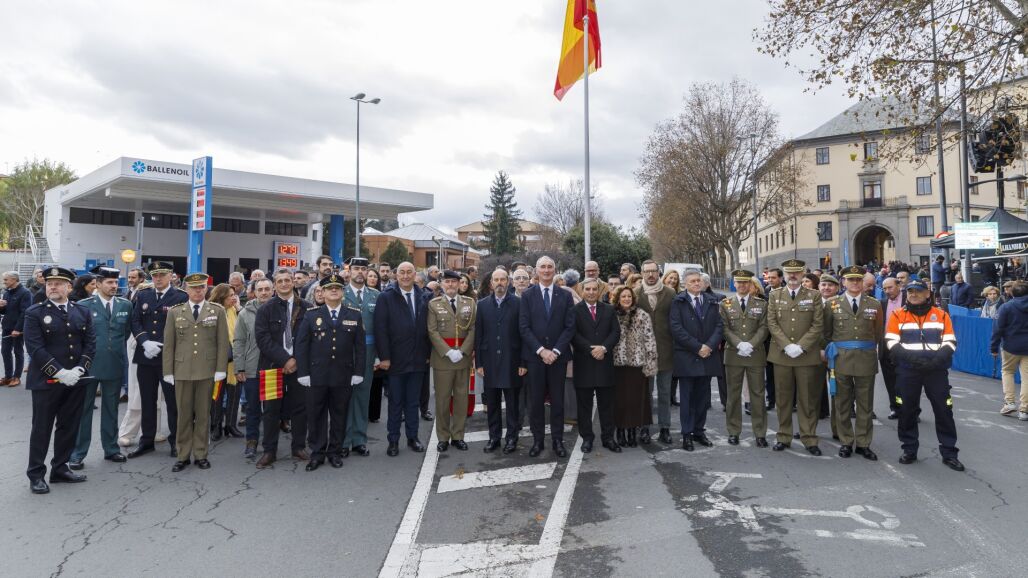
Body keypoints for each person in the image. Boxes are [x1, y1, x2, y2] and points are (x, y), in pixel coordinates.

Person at [23, 267, 95, 494]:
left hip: (76, 381)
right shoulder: (35, 312)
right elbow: (35, 348)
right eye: (49, 283)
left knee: (69, 427)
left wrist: (79, 369)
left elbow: (90, 344)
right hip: (47, 382)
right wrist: (60, 372)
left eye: (58, 283)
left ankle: (60, 469)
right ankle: (36, 474)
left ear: (69, 287)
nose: (52, 287)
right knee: (41, 429)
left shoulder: (81, 311)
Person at [885, 279, 964, 471]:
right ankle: (909, 449)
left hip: (936, 371)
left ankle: (949, 453)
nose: (913, 294)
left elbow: (950, 342)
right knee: (906, 411)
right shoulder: (897, 315)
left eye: (918, 291)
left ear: (927, 294)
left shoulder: (941, 315)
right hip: (907, 370)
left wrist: (935, 362)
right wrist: (914, 360)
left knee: (944, 411)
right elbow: (891, 343)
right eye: (910, 291)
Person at [295, 273, 365, 471]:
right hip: (317, 375)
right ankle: (317, 453)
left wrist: (358, 371)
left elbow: (360, 347)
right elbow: (302, 345)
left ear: (343, 292)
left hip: (343, 374)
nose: (334, 290)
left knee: (339, 415)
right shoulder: (311, 315)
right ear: (322, 293)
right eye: (329, 288)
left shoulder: (354, 315)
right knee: (315, 415)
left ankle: (334, 451)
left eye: (337, 288)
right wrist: (303, 372)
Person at [163, 273, 229, 472]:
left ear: (206, 289)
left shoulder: (217, 311)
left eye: (201, 287)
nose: (198, 291)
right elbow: (169, 344)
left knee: (203, 415)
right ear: (186, 290)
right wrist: (168, 371)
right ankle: (182, 455)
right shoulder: (175, 312)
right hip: (182, 370)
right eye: (194, 288)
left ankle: (201, 454)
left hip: (206, 370)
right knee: (183, 415)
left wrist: (221, 369)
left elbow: (222, 342)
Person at [68, 266, 132, 470]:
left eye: (116, 282)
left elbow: (126, 332)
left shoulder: (125, 305)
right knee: (83, 410)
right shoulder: (83, 305)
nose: (114, 286)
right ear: (98, 284)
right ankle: (78, 453)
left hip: (114, 364)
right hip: (88, 365)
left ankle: (111, 448)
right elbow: (76, 336)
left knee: (111, 409)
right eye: (109, 282)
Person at [128, 261, 188, 459]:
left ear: (171, 275)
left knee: (173, 402)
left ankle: (176, 441)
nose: (158, 278)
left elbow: (183, 325)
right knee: (147, 401)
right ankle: (147, 441)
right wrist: (145, 342)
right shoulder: (143, 294)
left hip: (169, 358)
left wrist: (161, 344)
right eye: (155, 275)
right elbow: (135, 320)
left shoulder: (180, 297)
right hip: (146, 356)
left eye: (162, 274)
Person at [823, 266, 883, 461]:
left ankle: (863, 443)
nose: (855, 283)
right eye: (851, 280)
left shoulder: (874, 304)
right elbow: (826, 332)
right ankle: (846, 441)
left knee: (865, 404)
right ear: (844, 282)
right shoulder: (832, 304)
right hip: (841, 359)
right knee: (842, 403)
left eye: (858, 279)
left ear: (863, 282)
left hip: (866, 358)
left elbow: (878, 333)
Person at [519, 256, 576, 458]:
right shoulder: (527, 295)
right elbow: (524, 327)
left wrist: (556, 351)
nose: (546, 270)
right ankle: (538, 441)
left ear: (555, 269)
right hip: (535, 358)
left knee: (558, 402)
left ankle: (558, 441)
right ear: (536, 270)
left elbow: (570, 327)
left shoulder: (565, 295)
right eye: (542, 267)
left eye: (549, 267)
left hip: (558, 358)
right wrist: (541, 351)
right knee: (535, 402)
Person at [767, 259, 825, 455]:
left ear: (802, 274)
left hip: (805, 355)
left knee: (807, 399)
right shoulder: (774, 295)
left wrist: (801, 346)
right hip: (782, 354)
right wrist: (786, 345)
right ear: (784, 275)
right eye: (789, 273)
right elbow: (772, 323)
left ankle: (809, 438)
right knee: (783, 398)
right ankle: (784, 436)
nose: (793, 276)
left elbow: (818, 324)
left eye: (797, 273)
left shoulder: (814, 295)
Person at [254, 268, 309, 468]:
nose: (284, 284)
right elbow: (263, 339)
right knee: (270, 410)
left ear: (293, 282)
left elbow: (309, 338)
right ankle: (269, 451)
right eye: (280, 281)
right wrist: (285, 360)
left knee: (300, 408)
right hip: (271, 366)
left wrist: (295, 360)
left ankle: (298, 447)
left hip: (299, 367)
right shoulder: (265, 309)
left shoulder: (307, 308)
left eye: (287, 280)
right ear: (275, 285)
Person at [374, 261, 430, 456]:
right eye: (402, 272)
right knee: (396, 402)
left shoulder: (424, 296)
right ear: (395, 275)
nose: (405, 276)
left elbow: (429, 329)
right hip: (395, 359)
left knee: (413, 402)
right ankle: (393, 440)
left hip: (418, 359)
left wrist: (427, 354)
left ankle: (413, 438)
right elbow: (380, 329)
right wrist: (384, 357)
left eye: (409, 272)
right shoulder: (386, 297)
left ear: (415, 275)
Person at [670, 270, 724, 451]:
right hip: (687, 356)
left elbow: (719, 325)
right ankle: (687, 434)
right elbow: (676, 328)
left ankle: (699, 431)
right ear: (685, 284)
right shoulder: (678, 301)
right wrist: (697, 347)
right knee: (687, 399)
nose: (696, 283)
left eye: (698, 280)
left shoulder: (712, 301)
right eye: (692, 281)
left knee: (702, 398)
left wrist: (708, 346)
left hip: (707, 356)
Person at [475, 268, 525, 453]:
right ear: (491, 283)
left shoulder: (519, 303)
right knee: (492, 404)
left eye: (503, 279)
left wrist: (523, 362)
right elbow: (479, 335)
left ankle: (511, 438)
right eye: (496, 280)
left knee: (512, 404)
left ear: (508, 282)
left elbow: (523, 334)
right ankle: (494, 438)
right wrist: (479, 363)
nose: (499, 283)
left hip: (512, 361)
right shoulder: (482, 305)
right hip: (489, 362)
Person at [427, 270, 477, 452]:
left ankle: (458, 436)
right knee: (442, 399)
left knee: (461, 399)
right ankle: (443, 437)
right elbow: (432, 331)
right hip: (443, 359)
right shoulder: (434, 304)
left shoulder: (469, 303)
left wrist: (463, 351)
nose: (450, 285)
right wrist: (448, 352)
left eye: (454, 282)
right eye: (447, 282)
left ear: (458, 284)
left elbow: (473, 329)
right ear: (441, 284)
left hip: (463, 358)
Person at [719, 270, 769, 448]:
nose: (742, 285)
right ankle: (733, 431)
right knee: (733, 395)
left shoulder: (761, 304)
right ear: (734, 284)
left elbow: (764, 327)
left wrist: (751, 344)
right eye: (738, 282)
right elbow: (724, 328)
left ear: (750, 284)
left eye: (745, 282)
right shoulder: (725, 304)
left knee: (758, 395)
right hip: (734, 354)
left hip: (755, 354)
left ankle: (760, 433)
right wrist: (739, 344)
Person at [572, 279, 622, 453]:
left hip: (604, 364)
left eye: (594, 289)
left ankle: (608, 438)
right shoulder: (574, 311)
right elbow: (573, 334)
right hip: (584, 364)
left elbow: (616, 332)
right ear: (582, 290)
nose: (591, 292)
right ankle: (587, 438)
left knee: (607, 405)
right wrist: (590, 349)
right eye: (588, 289)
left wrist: (604, 348)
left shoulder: (608, 309)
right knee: (584, 406)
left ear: (599, 290)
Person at [635, 260, 677, 444]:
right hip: (643, 352)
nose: (651, 275)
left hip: (666, 351)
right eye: (647, 271)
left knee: (665, 393)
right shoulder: (635, 293)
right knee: (645, 394)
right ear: (642, 273)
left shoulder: (670, 293)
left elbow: (675, 320)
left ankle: (665, 428)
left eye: (653, 271)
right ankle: (644, 428)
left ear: (659, 272)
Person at [612, 286, 658, 448]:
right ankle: (620, 431)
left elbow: (650, 339)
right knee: (619, 400)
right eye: (623, 296)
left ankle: (632, 431)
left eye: (629, 297)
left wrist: (650, 362)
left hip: (637, 364)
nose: (626, 299)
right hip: (617, 364)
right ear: (618, 299)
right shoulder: (611, 314)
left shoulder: (642, 315)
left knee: (635, 400)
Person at [342, 257, 379, 457]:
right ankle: (344, 440)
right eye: (356, 268)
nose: (359, 272)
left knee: (363, 396)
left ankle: (359, 440)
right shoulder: (341, 293)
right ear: (349, 271)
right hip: (345, 352)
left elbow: (381, 328)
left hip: (368, 352)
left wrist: (379, 356)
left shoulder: (376, 295)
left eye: (363, 269)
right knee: (345, 397)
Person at [234, 277, 273, 459]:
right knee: (252, 409)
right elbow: (239, 341)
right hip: (251, 367)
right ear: (254, 292)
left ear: (272, 291)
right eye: (260, 289)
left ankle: (270, 444)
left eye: (267, 289)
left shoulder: (280, 310)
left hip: (273, 367)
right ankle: (251, 441)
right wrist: (239, 367)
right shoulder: (245, 313)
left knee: (271, 410)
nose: (264, 292)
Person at [208, 284, 242, 441]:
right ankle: (216, 426)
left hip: (236, 360)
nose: (234, 297)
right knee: (216, 396)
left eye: (234, 294)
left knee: (235, 394)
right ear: (221, 297)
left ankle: (231, 425)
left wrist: (239, 309)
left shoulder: (235, 311)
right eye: (230, 295)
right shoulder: (211, 311)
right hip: (217, 361)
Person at [990, 281, 1028, 420]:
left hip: (1010, 346)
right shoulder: (1006, 306)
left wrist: (993, 347)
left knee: (1007, 372)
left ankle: (1010, 403)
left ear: (1012, 293)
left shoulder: (1006, 307)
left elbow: (998, 328)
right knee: (1026, 377)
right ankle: (1024, 409)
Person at [878, 277, 905, 420]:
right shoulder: (881, 303)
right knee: (890, 381)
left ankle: (910, 409)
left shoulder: (908, 300)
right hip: (886, 348)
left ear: (899, 286)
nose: (887, 291)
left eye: (890, 287)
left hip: (905, 347)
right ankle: (894, 408)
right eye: (884, 289)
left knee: (908, 381)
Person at [1, 271, 32, 387]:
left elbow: (25, 312)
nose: (4, 282)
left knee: (18, 352)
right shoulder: (7, 293)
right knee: (5, 351)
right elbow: (5, 312)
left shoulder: (25, 293)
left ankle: (16, 377)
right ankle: (8, 376)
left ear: (14, 279)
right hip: (6, 327)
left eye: (6, 280)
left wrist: (18, 329)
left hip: (18, 329)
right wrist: (1, 307)